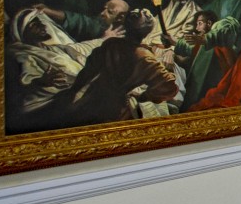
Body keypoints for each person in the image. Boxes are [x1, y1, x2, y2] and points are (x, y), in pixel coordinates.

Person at [44, 10, 180, 130]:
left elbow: (168, 86)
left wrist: (144, 96)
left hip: (102, 100)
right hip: (104, 101)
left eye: (145, 14)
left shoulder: (128, 51)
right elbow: (89, 69)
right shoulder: (130, 51)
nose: (139, 11)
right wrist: (74, 90)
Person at [31, 0, 129, 41]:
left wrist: (103, 41)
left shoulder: (126, 37)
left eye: (110, 12)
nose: (102, 13)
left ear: (120, 18)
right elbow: (80, 21)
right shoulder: (99, 25)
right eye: (104, 9)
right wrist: (49, 12)